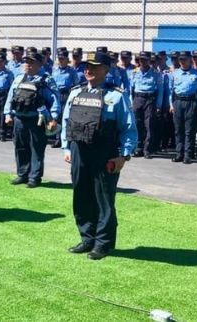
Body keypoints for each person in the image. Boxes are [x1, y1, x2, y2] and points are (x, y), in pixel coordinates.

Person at [61, 51, 137, 261]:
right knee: (82, 195)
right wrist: (67, 149)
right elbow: (67, 122)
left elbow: (128, 128)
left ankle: (103, 243)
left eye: (94, 67)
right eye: (87, 66)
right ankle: (87, 238)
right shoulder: (76, 93)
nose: (89, 70)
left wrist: (124, 155)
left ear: (106, 69)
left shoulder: (117, 96)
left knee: (104, 199)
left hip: (105, 152)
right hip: (79, 151)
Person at [4, 52, 59, 188]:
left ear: (40, 64)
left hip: (37, 119)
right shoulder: (19, 78)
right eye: (26, 62)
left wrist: (54, 118)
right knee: (20, 147)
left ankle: (34, 177)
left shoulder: (46, 80)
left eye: (31, 62)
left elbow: (54, 99)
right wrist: (7, 114)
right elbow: (11, 97)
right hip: (19, 118)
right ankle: (22, 174)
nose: (27, 65)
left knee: (36, 148)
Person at [168, 51, 197, 164]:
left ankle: (188, 154)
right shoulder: (174, 74)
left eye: (185, 59)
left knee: (190, 130)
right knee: (178, 129)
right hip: (178, 102)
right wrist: (171, 105)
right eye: (181, 60)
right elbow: (170, 91)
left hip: (191, 103)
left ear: (190, 60)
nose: (182, 62)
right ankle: (179, 153)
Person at [129, 51, 163, 159]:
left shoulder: (156, 73)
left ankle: (147, 149)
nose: (142, 62)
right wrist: (131, 103)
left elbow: (160, 90)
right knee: (137, 124)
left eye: (145, 60)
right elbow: (130, 89)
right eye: (141, 60)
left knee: (149, 125)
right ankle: (138, 148)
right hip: (137, 99)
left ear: (149, 60)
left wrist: (158, 105)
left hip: (150, 99)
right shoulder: (134, 72)